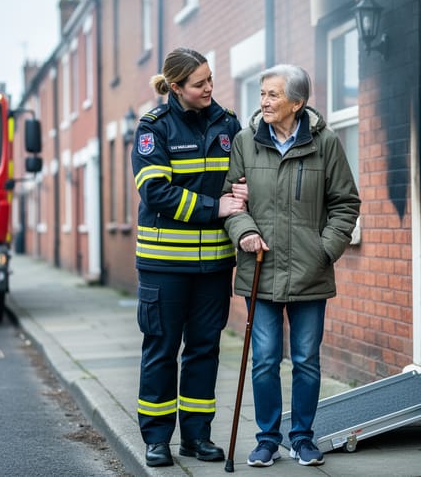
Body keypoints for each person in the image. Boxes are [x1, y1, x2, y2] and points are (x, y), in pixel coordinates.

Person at [222, 64, 360, 467]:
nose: (264, 101)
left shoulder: (326, 144)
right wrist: (244, 231)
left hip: (309, 271)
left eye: (273, 95)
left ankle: (301, 438)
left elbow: (346, 203)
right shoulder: (245, 142)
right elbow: (232, 202)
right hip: (260, 270)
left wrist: (325, 249)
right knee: (264, 358)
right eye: (262, 93)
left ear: (297, 103)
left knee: (306, 360)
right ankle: (267, 438)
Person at [130, 47, 246, 468]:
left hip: (214, 265)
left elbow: (241, 177)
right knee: (161, 349)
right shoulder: (153, 129)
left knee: (204, 350)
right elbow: (155, 192)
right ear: (176, 87)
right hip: (164, 268)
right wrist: (215, 207)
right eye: (200, 83)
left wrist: (244, 191)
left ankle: (197, 437)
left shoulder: (228, 123)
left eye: (211, 79)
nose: (209, 88)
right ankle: (157, 438)